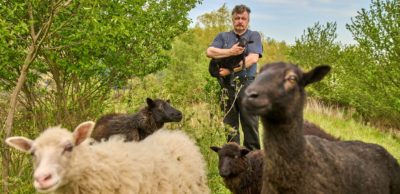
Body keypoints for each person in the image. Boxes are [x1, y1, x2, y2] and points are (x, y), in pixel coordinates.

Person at [206, 4, 263, 150]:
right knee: (230, 128)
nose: (240, 21)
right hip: (226, 87)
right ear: (232, 19)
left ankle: (254, 163)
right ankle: (235, 165)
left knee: (250, 126)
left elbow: (252, 59)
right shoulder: (223, 37)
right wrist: (230, 52)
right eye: (237, 18)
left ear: (248, 20)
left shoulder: (253, 36)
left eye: (243, 18)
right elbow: (210, 52)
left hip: (248, 87)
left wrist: (230, 70)